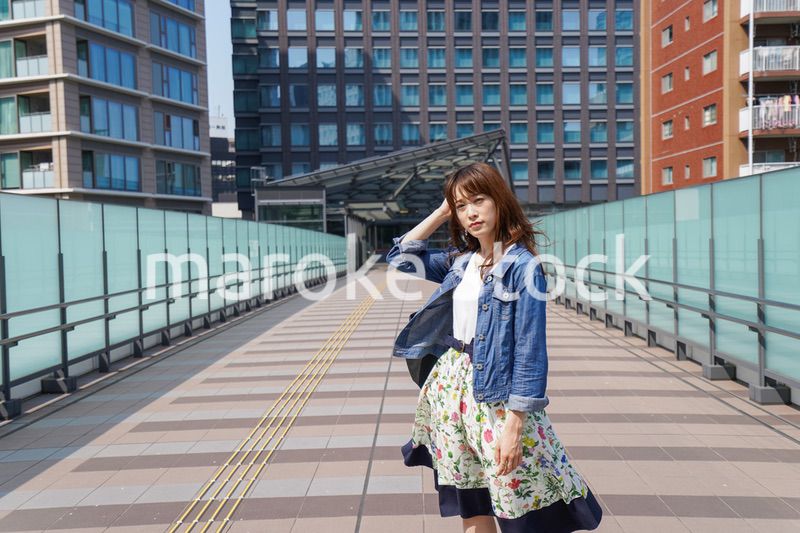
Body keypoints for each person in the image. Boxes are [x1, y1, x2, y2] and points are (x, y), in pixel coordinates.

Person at [386, 162, 603, 533]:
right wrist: (442, 210)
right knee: (472, 505)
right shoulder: (462, 261)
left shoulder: (522, 266)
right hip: (451, 394)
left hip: (497, 398)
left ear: (499, 201)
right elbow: (402, 258)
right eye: (461, 206)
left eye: (478, 200)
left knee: (519, 507)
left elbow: (531, 351)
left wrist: (516, 425)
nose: (470, 212)